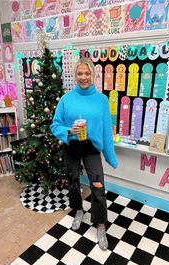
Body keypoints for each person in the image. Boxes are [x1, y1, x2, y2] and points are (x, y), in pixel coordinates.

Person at [50, 57, 118, 251]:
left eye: (87, 73)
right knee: (73, 181)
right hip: (71, 144)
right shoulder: (66, 99)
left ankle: (101, 223)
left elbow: (106, 130)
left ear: (93, 75)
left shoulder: (101, 100)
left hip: (91, 147)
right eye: (80, 73)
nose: (83, 77)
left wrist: (110, 156)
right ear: (75, 75)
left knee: (98, 184)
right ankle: (78, 209)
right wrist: (69, 131)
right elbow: (55, 125)